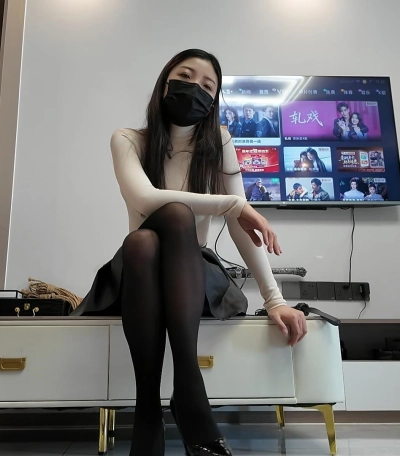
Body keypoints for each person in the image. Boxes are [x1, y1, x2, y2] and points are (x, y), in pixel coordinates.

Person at [70, 49, 307, 456]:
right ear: (165, 83)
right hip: (138, 274)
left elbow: (241, 228)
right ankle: (184, 396)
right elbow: (146, 199)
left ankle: (154, 411)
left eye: (207, 86)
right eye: (185, 76)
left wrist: (275, 299)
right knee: (146, 238)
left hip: (193, 273)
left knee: (167, 224)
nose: (195, 88)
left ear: (213, 103)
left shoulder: (219, 143)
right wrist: (234, 203)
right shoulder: (128, 140)